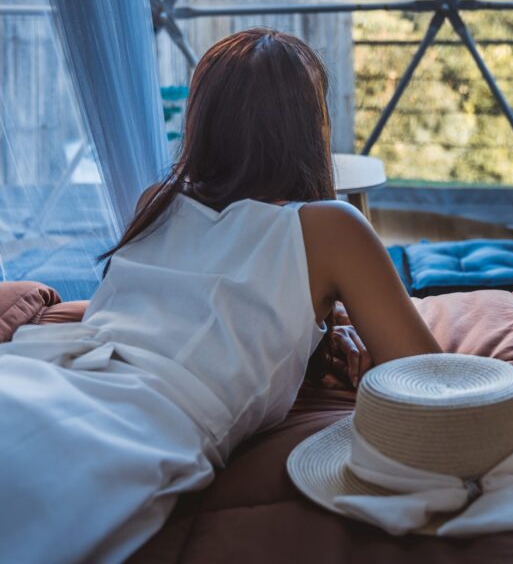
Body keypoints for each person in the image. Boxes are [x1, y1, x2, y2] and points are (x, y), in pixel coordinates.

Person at [0, 28, 441, 563]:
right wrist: (337, 316)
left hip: (40, 372)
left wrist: (328, 322)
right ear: (308, 126)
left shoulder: (158, 201)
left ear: (202, 120)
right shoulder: (333, 229)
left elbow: (184, 303)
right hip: (131, 418)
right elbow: (437, 386)